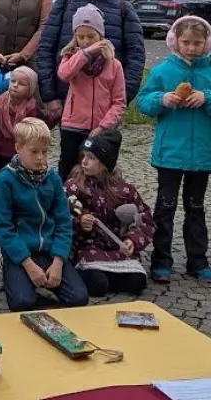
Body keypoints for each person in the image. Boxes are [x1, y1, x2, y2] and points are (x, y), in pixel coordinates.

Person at [136, 15, 211, 283]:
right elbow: (143, 102)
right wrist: (162, 99)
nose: (192, 48)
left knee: (196, 206)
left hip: (201, 154)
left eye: (197, 43)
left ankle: (198, 259)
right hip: (169, 152)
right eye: (186, 42)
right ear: (175, 42)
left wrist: (208, 97)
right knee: (165, 206)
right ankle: (161, 258)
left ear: (207, 43)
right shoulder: (162, 71)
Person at [0, 117, 88, 311]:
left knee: (79, 298)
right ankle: (6, 266)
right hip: (21, 251)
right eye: (34, 152)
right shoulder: (5, 181)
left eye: (44, 152)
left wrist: (59, 261)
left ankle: (43, 282)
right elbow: (3, 227)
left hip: (49, 250)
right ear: (18, 148)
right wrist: (28, 264)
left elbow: (63, 222)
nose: (40, 158)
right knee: (22, 302)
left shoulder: (53, 179)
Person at [37, 0, 145, 106]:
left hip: (105, 102)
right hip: (68, 99)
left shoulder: (124, 9)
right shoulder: (64, 3)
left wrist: (121, 99)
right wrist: (50, 96)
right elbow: (46, 48)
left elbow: (136, 57)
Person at [64, 128, 154, 298]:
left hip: (119, 250)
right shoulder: (73, 187)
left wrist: (132, 241)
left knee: (138, 282)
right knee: (98, 284)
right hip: (88, 249)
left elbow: (146, 220)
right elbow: (60, 215)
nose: (84, 162)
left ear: (105, 163)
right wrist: (79, 221)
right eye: (83, 156)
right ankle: (98, 278)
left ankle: (112, 277)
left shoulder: (125, 190)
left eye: (91, 158)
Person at [55, 4, 127, 180]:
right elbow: (64, 74)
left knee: (97, 172)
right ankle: (65, 203)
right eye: (80, 37)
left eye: (91, 36)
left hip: (100, 128)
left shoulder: (114, 65)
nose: (86, 41)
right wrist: (85, 54)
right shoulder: (71, 57)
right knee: (69, 168)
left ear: (100, 35)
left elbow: (119, 102)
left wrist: (103, 125)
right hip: (73, 125)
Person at [0, 65, 45, 182]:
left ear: (31, 88)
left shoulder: (33, 109)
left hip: (23, 156)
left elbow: (38, 136)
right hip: (0, 156)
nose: (15, 85)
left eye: (21, 84)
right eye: (13, 81)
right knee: (2, 186)